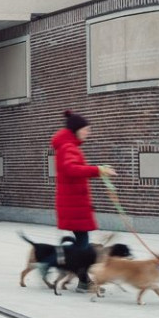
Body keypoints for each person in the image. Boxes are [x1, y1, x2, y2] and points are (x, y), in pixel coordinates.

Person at [51, 109, 117, 288]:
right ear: (76, 130)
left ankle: (79, 277)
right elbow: (71, 169)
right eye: (86, 129)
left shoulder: (69, 146)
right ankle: (82, 279)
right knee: (83, 245)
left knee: (82, 243)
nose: (89, 132)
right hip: (74, 204)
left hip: (75, 204)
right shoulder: (68, 147)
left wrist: (98, 170)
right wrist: (98, 170)